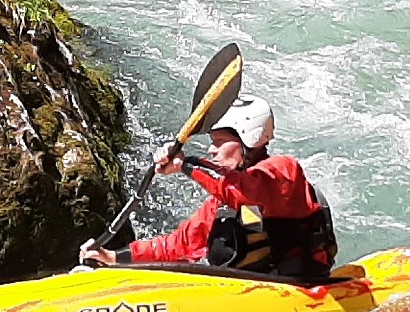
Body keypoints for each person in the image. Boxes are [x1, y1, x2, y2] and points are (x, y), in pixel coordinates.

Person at [78, 96, 338, 280]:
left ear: (249, 142)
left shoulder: (282, 171)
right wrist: (112, 257)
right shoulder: (222, 199)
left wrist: (186, 165)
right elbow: (177, 246)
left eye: (220, 142)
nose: (211, 149)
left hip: (301, 286)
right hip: (249, 289)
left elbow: (247, 191)